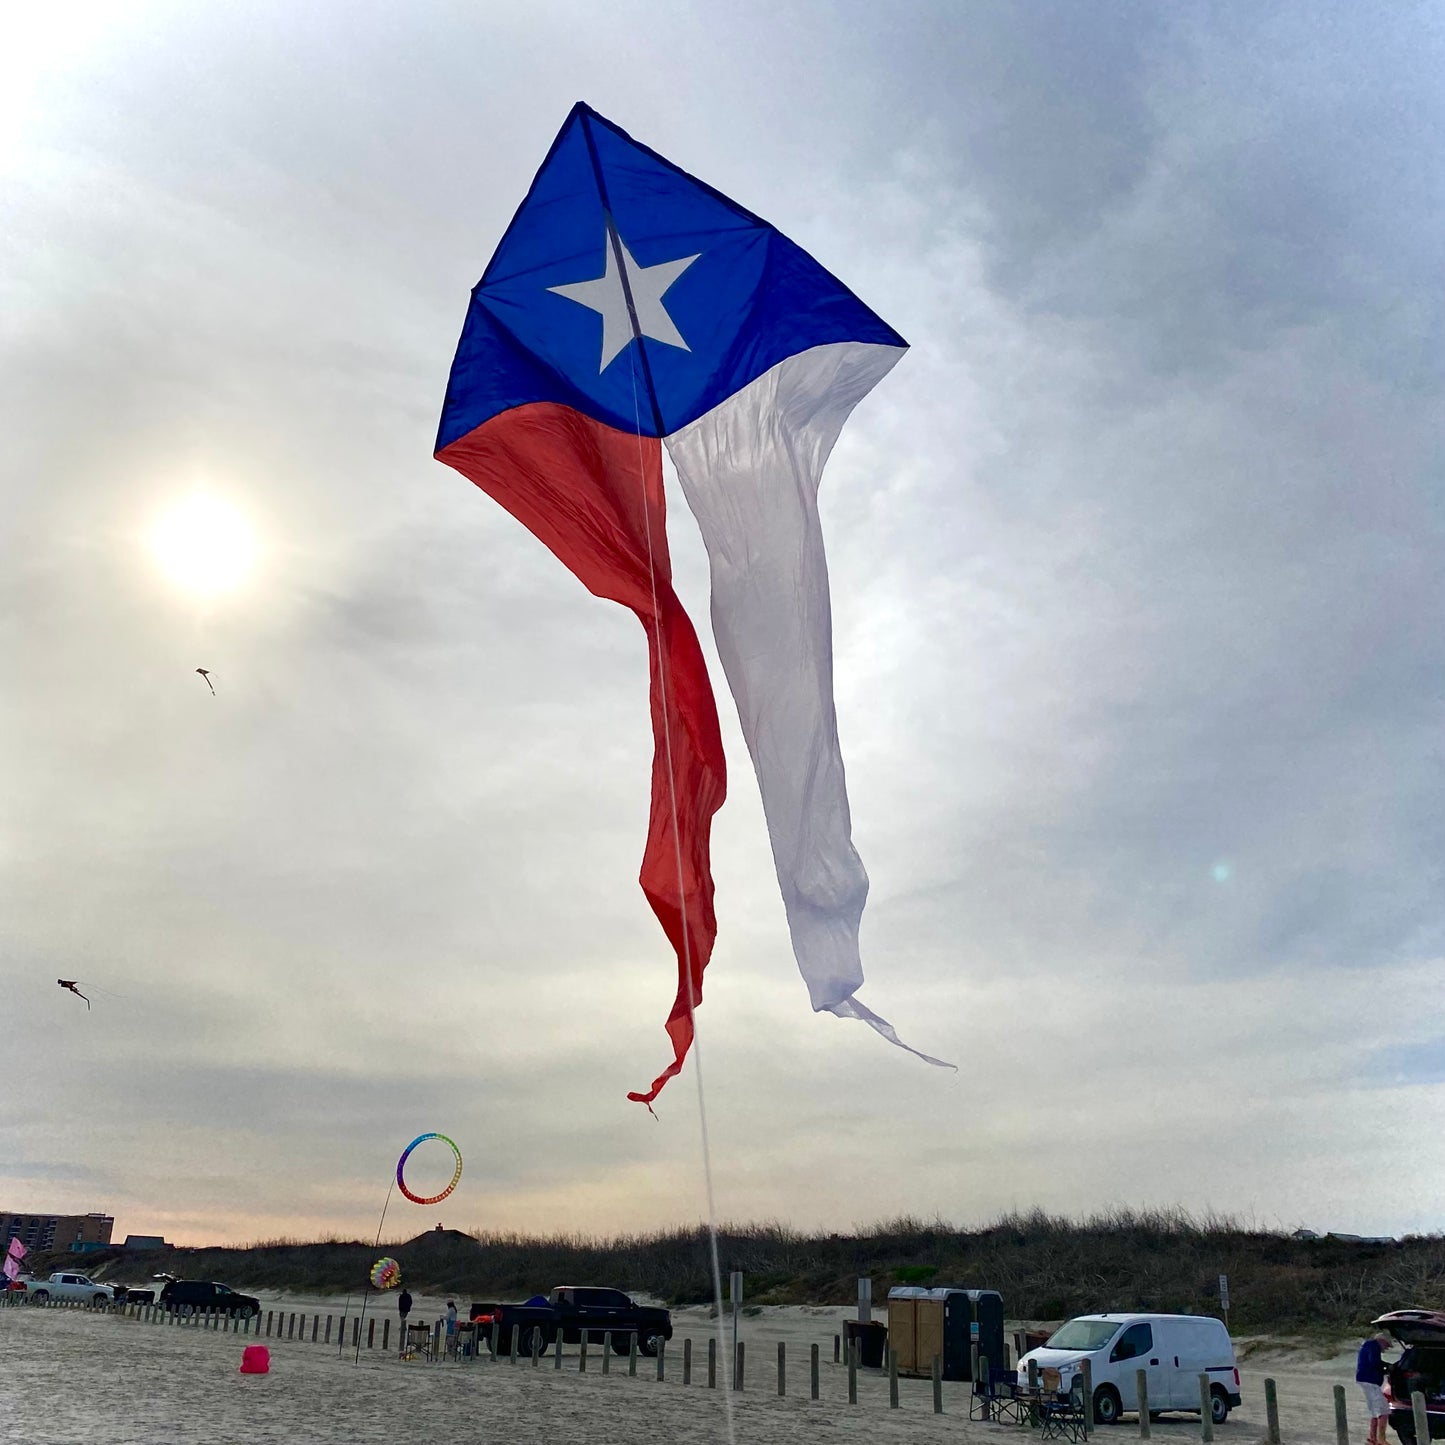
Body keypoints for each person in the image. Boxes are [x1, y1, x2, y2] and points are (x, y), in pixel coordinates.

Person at [1356, 1330, 1392, 1445]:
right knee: (1384, 1410)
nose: (1386, 1349)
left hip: (1364, 1379)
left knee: (1374, 1411)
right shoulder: (1373, 1346)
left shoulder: (1368, 1345)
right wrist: (1387, 1367)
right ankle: (1381, 1439)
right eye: (1386, 1345)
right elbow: (1374, 1362)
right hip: (1369, 1381)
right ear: (1382, 1341)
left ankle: (1372, 1438)